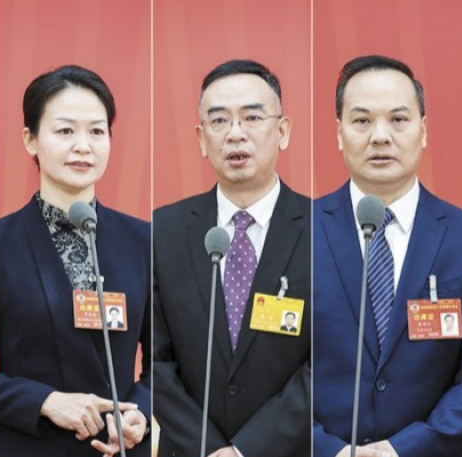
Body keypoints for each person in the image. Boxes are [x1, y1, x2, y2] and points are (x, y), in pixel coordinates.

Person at [313, 55, 462, 457]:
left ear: (423, 130)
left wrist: (405, 448)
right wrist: (326, 448)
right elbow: (272, 370)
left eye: (398, 119)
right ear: (339, 133)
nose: (380, 136)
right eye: (362, 121)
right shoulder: (297, 232)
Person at [154, 59, 311, 457]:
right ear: (201, 138)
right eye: (219, 120)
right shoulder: (162, 231)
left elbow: (330, 361)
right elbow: (155, 364)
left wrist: (247, 450)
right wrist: (208, 449)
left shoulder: (324, 230)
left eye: (252, 117)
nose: (235, 133)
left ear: (282, 131)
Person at [0, 65, 151, 457]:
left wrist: (142, 414)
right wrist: (43, 401)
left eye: (97, 131)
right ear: (30, 140)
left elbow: (167, 359)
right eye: (65, 131)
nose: (83, 146)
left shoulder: (144, 241)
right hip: (30, 445)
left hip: (119, 448)